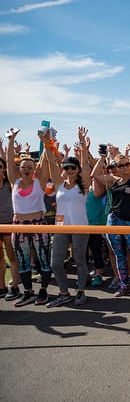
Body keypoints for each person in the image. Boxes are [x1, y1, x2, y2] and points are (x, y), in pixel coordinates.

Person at [92, 126, 130, 297]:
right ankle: (124, 284)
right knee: (119, 255)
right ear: (115, 166)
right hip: (114, 219)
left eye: (126, 164)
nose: (123, 167)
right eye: (119, 165)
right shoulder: (113, 180)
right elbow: (95, 175)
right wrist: (102, 157)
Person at [44, 127, 92, 307]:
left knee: (79, 260)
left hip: (80, 227)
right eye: (66, 167)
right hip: (61, 227)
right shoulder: (59, 184)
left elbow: (86, 163)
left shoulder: (84, 185)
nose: (69, 170)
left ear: (78, 170)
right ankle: (64, 292)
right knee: (55, 263)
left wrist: (82, 143)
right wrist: (47, 144)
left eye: (73, 167)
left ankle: (80, 291)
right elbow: (50, 162)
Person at [6, 128, 52, 307]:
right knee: (23, 261)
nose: (26, 169)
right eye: (23, 167)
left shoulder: (39, 183)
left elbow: (46, 163)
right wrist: (11, 141)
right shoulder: (14, 182)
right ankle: (28, 292)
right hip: (18, 225)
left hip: (38, 223)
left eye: (30, 167)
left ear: (34, 170)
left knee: (43, 260)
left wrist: (46, 143)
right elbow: (10, 162)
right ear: (19, 170)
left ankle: (44, 291)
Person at [0, 157, 20, 301]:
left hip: (9, 223)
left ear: (4, 169)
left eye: (0, 166)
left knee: (12, 257)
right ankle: (1, 288)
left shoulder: (9, 184)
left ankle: (15, 286)